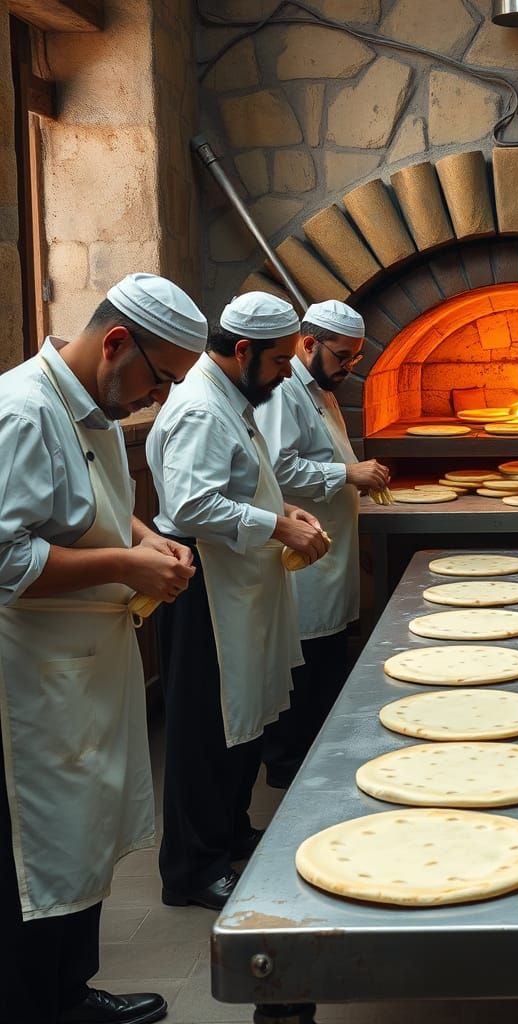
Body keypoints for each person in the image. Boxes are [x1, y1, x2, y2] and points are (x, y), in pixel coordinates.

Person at [0, 273, 206, 1024]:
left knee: (80, 836)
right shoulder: (22, 412)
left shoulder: (88, 405)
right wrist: (126, 564)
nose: (160, 400)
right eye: (160, 380)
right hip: (32, 679)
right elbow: (5, 560)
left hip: (84, 666)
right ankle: (35, 1007)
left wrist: (149, 539)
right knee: (41, 847)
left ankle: (69, 991)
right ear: (116, 343)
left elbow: (100, 515)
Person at [147, 292, 328, 910]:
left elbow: (238, 481)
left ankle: (229, 831)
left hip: (237, 585)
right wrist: (278, 527)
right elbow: (192, 503)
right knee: (205, 728)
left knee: (241, 716)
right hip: (202, 588)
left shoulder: (234, 395)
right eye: (279, 362)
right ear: (243, 350)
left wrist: (281, 508)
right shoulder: (201, 406)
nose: (286, 374)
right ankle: (193, 869)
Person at [255, 300, 389, 788]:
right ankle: (289, 767)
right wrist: (349, 473)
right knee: (305, 662)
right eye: (342, 357)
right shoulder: (282, 390)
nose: (348, 369)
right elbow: (277, 467)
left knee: (328, 652)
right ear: (307, 344)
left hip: (329, 546)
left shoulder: (322, 386)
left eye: (355, 359)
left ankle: (320, 754)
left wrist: (355, 476)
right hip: (301, 543)